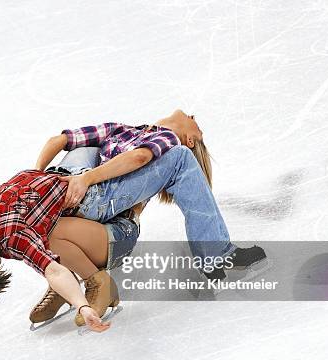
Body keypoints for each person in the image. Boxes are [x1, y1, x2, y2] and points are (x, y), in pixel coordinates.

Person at [28, 109, 266, 318]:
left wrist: (86, 179)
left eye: (197, 126)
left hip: (103, 208)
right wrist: (35, 178)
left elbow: (140, 156)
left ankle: (216, 254)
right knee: (86, 143)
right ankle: (64, 275)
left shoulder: (166, 139)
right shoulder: (120, 130)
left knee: (180, 157)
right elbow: (58, 140)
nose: (193, 117)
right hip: (72, 197)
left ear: (191, 139)